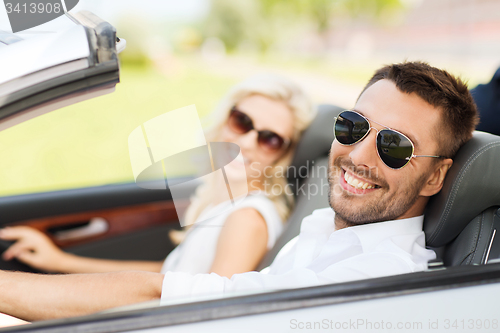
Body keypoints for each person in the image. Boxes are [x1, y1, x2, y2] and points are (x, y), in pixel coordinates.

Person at [0, 61, 479, 322]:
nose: (360, 155)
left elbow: (181, 299)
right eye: (352, 126)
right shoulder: (322, 230)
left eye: (396, 146)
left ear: (436, 176)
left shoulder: (373, 278)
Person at [0, 74, 315, 278]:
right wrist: (61, 263)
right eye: (242, 121)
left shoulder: (246, 219)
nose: (246, 143)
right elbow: (170, 277)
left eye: (270, 138)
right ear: (224, 120)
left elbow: (209, 315)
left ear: (282, 154)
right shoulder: (226, 202)